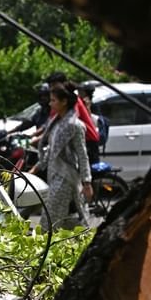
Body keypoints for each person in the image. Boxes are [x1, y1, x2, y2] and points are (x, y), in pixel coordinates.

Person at [36, 86, 92, 230]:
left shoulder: (75, 126)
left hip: (66, 177)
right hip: (54, 174)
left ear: (64, 101)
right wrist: (36, 167)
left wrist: (87, 182)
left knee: (50, 219)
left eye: (53, 100)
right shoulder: (56, 123)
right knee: (61, 217)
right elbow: (51, 149)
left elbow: (82, 155)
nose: (50, 103)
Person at [77, 83, 108, 165]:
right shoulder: (82, 104)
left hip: (90, 140)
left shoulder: (91, 105)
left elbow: (92, 121)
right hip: (85, 139)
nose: (78, 93)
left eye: (80, 91)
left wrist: (87, 108)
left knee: (92, 165)